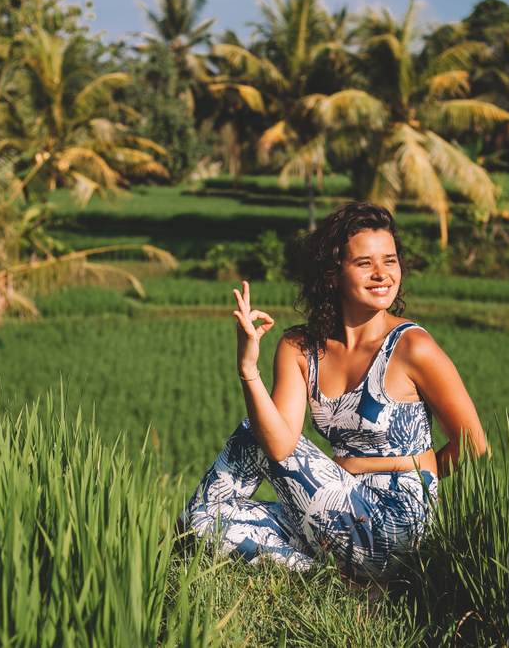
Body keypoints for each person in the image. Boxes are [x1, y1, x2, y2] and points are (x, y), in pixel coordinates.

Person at [182, 202, 487, 580]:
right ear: (332, 273)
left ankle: (352, 576)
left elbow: (473, 442)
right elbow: (277, 443)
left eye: (390, 261)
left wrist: (415, 472)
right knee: (201, 524)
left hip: (397, 525)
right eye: (365, 263)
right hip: (336, 507)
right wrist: (248, 368)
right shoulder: (300, 348)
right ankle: (332, 580)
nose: (382, 275)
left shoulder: (413, 347)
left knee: (251, 431)